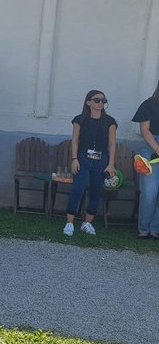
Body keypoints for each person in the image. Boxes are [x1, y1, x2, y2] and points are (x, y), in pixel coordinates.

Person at [62, 90, 116, 236]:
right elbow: (74, 140)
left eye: (103, 101)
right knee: (78, 189)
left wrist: (110, 164)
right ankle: (69, 223)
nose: (100, 103)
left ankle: (87, 223)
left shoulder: (110, 121)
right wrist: (74, 159)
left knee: (96, 191)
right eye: (97, 100)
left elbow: (111, 144)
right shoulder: (80, 120)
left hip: (101, 159)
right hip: (83, 158)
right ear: (88, 102)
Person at [131, 82, 159, 239]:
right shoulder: (149, 104)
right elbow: (144, 129)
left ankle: (155, 228)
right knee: (150, 191)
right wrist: (157, 149)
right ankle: (144, 228)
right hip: (151, 147)